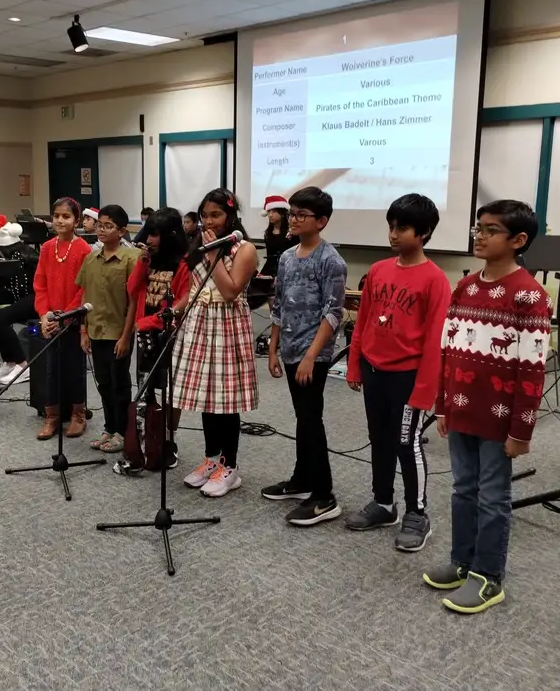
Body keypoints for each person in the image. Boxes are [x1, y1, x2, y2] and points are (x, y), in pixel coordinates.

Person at [423, 199, 550, 614]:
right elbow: (449, 349)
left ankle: (488, 576)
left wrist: (521, 430)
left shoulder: (529, 296)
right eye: (478, 226)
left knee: (493, 496)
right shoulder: (464, 287)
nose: (479, 234)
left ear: (518, 240)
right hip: (461, 410)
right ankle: (463, 562)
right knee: (463, 489)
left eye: (491, 229)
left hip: (499, 421)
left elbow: (532, 371)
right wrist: (442, 406)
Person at [343, 194, 451, 551]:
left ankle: (417, 513)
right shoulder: (377, 271)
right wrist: (355, 364)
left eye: (401, 228)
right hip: (375, 371)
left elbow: (436, 341)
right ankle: (384, 503)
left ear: (424, 233)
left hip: (409, 378)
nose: (393, 234)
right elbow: (364, 322)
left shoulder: (435, 280)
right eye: (391, 226)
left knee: (407, 444)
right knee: (380, 439)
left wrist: (425, 391)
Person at [260, 187, 347, 525]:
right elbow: (279, 304)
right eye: (292, 213)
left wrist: (312, 355)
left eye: (301, 214)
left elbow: (334, 313)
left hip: (315, 354)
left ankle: (325, 495)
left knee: (311, 419)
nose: (293, 219)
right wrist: (273, 347)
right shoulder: (286, 256)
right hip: (292, 349)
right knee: (302, 418)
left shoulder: (330, 261)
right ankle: (302, 479)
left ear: (321, 221)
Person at [175, 189, 259, 498]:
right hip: (200, 324)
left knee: (225, 400)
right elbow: (195, 289)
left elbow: (230, 291)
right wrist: (174, 310)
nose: (209, 221)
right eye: (204, 215)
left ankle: (230, 466)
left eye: (216, 215)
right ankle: (212, 459)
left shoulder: (244, 249)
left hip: (226, 325)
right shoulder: (198, 246)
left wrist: (213, 254)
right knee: (205, 398)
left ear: (231, 216)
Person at [112, 208, 192, 476]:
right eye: (150, 233)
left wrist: (149, 322)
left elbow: (183, 302)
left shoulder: (183, 264)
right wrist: (143, 262)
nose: (151, 239)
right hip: (146, 335)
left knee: (170, 392)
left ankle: (168, 442)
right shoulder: (148, 259)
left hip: (169, 335)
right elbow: (132, 289)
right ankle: (147, 443)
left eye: (156, 234)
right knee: (147, 392)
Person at [74, 205, 139, 454]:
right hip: (95, 330)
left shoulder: (131, 258)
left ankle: (122, 431)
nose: (101, 230)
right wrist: (83, 331)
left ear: (121, 231)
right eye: (99, 224)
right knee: (102, 383)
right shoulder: (91, 258)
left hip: (118, 333)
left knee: (119, 383)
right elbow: (84, 296)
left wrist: (126, 335)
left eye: (108, 226)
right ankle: (109, 428)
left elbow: (134, 301)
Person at [33, 197, 93, 440]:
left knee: (75, 368)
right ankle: (52, 416)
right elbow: (40, 284)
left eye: (66, 216)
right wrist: (45, 315)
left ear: (76, 220)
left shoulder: (83, 249)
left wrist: (65, 317)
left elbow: (84, 288)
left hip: (74, 318)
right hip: (50, 319)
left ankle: (78, 415)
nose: (60, 220)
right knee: (51, 369)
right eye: (56, 215)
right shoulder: (47, 248)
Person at [0, 224, 39, 384]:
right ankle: (9, 361)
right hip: (19, 293)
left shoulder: (25, 255)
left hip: (36, 297)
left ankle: (23, 364)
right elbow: (9, 281)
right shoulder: (12, 255)